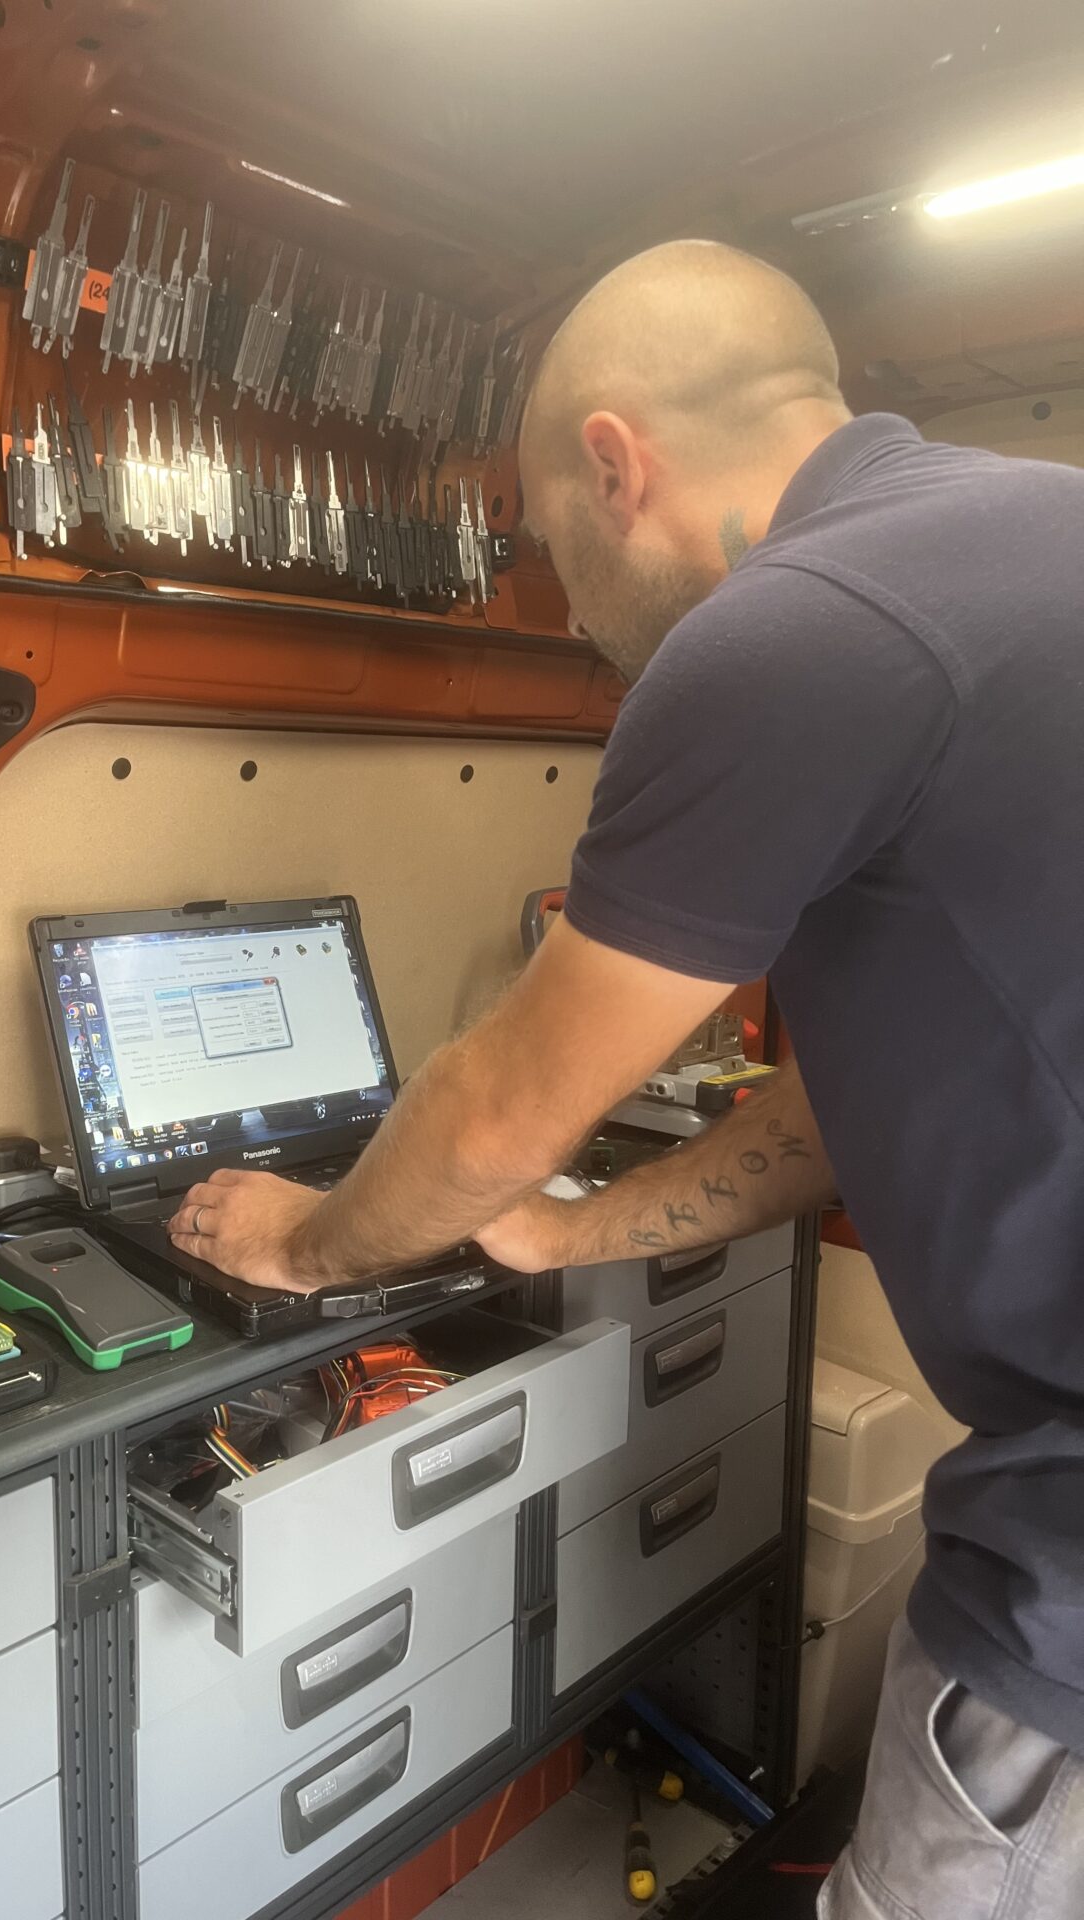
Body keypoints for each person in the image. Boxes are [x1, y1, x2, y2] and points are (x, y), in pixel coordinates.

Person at [166, 240, 1084, 1917]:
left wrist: (304, 1243)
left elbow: (505, 1105)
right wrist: (560, 1236)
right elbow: (846, 1103)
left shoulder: (790, 627)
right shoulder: (1031, 535)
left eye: (548, 548)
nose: (573, 612)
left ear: (615, 462)